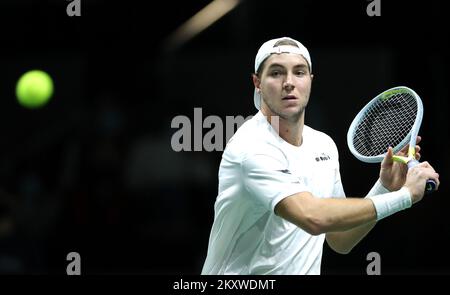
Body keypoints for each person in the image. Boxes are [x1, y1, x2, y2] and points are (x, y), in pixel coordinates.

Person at [200, 37, 440, 275]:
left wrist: (385, 188)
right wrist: (406, 195)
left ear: (310, 81)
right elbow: (313, 217)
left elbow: (340, 239)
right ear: (257, 83)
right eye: (276, 73)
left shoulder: (323, 145)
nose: (289, 83)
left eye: (299, 72)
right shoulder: (250, 146)